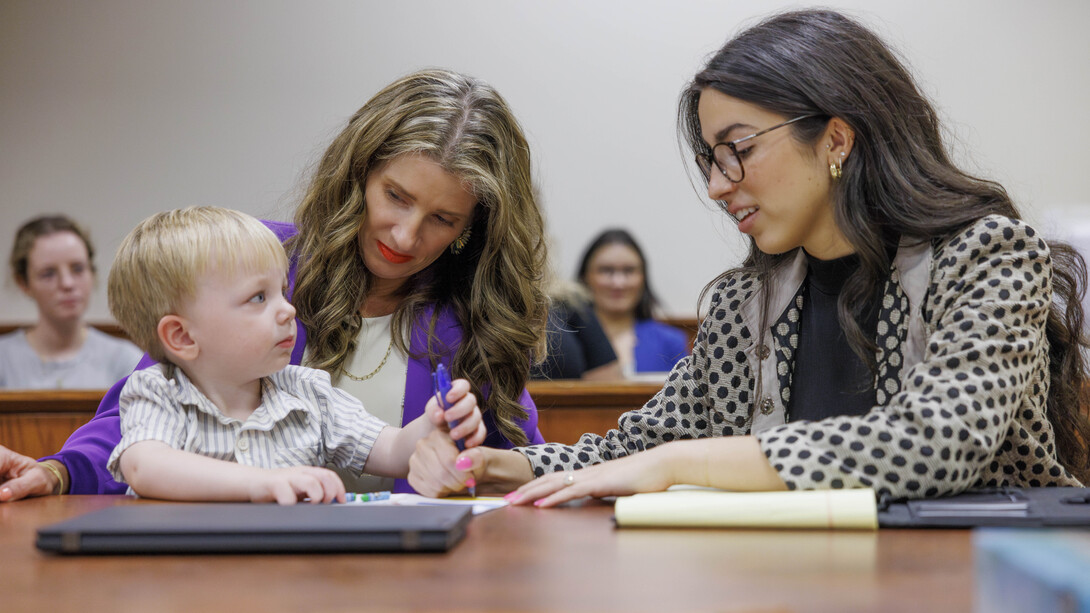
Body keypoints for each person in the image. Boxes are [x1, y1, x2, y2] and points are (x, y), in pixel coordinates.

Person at [406, 9, 1090, 506]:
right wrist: (515, 466)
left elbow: (938, 439)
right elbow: (645, 442)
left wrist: (686, 463)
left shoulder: (989, 254)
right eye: (710, 159)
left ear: (836, 140)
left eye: (738, 149)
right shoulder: (746, 300)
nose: (717, 185)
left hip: (981, 576)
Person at [0, 68, 548, 502]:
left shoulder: (476, 321)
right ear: (359, 174)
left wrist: (460, 456)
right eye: (396, 197)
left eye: (442, 219)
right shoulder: (260, 261)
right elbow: (143, 415)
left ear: (470, 231)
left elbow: (518, 464)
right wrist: (59, 472)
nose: (405, 235)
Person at [105, 207, 484, 504]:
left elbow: (392, 450)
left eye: (282, 292)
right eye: (259, 297)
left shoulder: (307, 393)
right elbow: (145, 465)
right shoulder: (158, 392)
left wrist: (432, 425)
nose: (288, 310)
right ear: (182, 336)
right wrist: (261, 483)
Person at [0, 215, 141, 389]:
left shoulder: (126, 361)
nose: (67, 284)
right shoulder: (4, 361)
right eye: (48, 273)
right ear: (23, 283)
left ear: (92, 272)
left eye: (78, 269)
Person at [577, 228, 689, 375]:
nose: (618, 283)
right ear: (585, 277)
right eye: (605, 270)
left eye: (629, 271)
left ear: (643, 278)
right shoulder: (566, 343)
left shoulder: (671, 342)